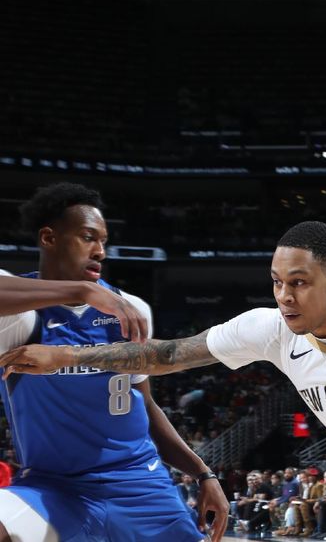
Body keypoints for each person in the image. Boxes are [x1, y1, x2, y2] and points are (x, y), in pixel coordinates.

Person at [2, 220, 326, 542]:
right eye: (277, 282)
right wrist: (63, 358)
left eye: (299, 283)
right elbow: (165, 354)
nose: (285, 295)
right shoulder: (269, 329)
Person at [0, 182, 228, 542]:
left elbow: (146, 405)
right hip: (54, 490)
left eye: (103, 241)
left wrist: (203, 473)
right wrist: (82, 290)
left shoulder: (132, 309)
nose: (100, 251)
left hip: (141, 486)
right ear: (48, 238)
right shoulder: (20, 316)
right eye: (88, 237)